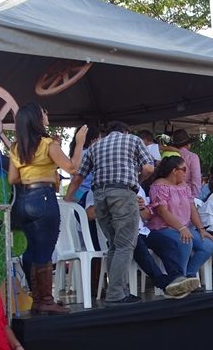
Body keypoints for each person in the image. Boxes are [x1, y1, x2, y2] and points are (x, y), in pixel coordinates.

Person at [8, 102, 87, 314]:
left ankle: (37, 299)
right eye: (43, 111)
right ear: (37, 118)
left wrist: (31, 174)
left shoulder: (16, 147)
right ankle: (46, 300)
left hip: (24, 199)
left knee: (31, 250)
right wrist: (79, 143)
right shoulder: (47, 144)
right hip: (43, 197)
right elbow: (72, 167)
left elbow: (12, 178)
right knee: (44, 250)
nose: (46, 113)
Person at [66, 120, 155, 307]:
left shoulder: (95, 146)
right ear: (125, 131)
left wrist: (67, 199)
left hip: (99, 196)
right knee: (125, 244)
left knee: (114, 244)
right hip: (123, 193)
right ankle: (116, 294)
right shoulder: (133, 140)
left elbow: (78, 176)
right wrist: (137, 180)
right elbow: (148, 168)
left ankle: (118, 291)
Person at [146, 156, 213, 290]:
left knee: (208, 244)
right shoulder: (159, 186)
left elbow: (192, 208)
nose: (186, 172)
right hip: (163, 229)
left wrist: (201, 229)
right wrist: (181, 228)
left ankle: (188, 275)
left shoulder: (184, 186)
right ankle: (180, 279)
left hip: (182, 228)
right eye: (184, 169)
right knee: (185, 241)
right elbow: (162, 212)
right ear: (174, 171)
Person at [171, 129, 202, 199]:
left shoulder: (167, 155)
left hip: (170, 193)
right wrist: (195, 197)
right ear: (188, 144)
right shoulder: (192, 157)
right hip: (186, 194)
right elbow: (196, 179)